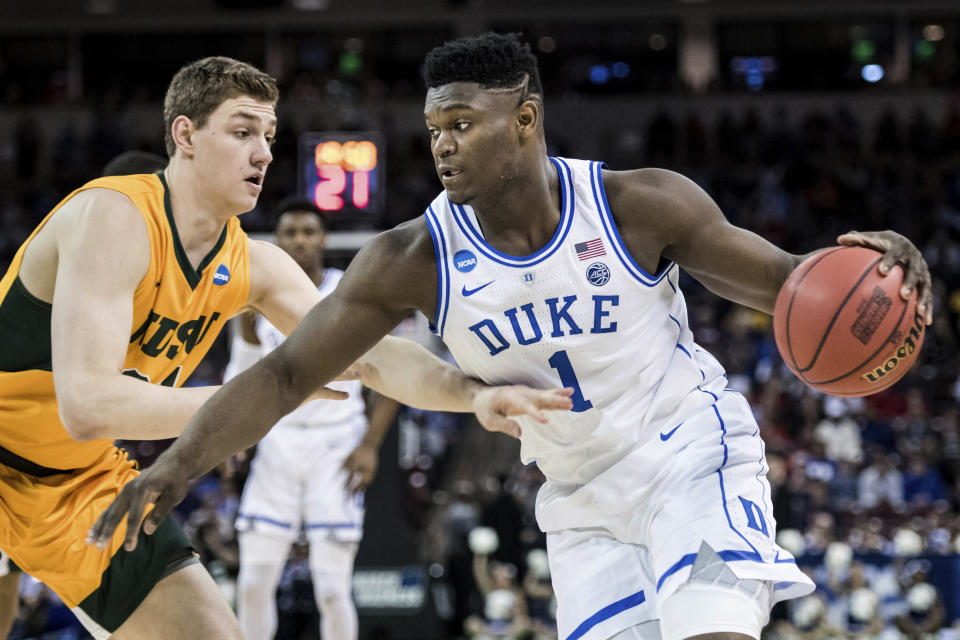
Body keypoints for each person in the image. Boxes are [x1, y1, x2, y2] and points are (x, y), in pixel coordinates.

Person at [90, 34, 934, 640]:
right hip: (578, 502)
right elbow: (283, 375)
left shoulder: (643, 205)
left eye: (462, 122)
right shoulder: (411, 258)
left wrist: (874, 263)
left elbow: (789, 281)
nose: (443, 145)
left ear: (525, 119)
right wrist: (174, 468)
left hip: (691, 458)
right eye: (434, 129)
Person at [0, 55, 572, 640]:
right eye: (243, 132)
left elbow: (372, 357)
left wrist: (472, 395)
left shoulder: (255, 264)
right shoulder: (114, 215)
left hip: (73, 480)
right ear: (185, 135)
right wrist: (258, 398)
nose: (264, 153)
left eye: (269, 137)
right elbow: (87, 405)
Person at [224, 196, 399, 640]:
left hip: (337, 443)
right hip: (277, 440)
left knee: (332, 589)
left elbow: (393, 377)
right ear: (277, 241)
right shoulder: (255, 300)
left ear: (322, 238)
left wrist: (369, 446)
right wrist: (231, 435)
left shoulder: (351, 294)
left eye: (307, 232)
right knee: (253, 581)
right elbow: (239, 372)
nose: (299, 241)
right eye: (290, 233)